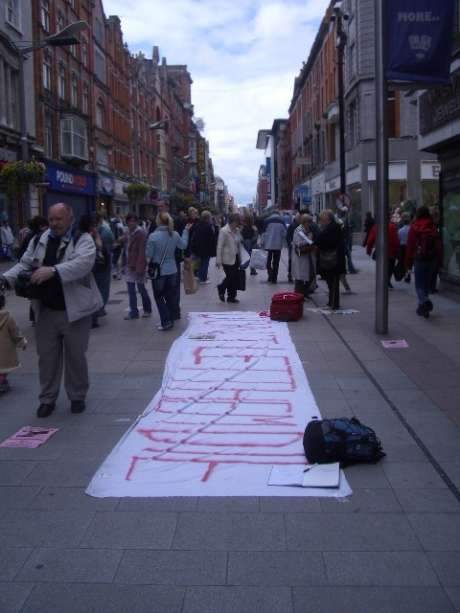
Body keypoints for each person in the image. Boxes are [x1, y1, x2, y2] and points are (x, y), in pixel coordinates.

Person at [0, 202, 103, 417]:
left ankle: (77, 396)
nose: (54, 223)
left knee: (76, 357)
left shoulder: (82, 238)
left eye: (59, 219)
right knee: (46, 358)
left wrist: (53, 271)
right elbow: (25, 263)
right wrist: (5, 279)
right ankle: (47, 398)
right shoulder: (40, 239)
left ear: (70, 217)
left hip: (75, 310)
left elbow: (83, 264)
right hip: (46, 309)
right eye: (52, 219)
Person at [145, 212, 190, 331]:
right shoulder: (174, 234)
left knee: (159, 296)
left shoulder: (153, 236)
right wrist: (186, 231)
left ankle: (165, 321)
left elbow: (148, 255)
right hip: (172, 271)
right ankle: (170, 318)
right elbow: (183, 246)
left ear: (158, 221)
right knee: (170, 296)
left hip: (159, 272)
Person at [405, 206, 442, 318]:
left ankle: (425, 301)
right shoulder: (433, 226)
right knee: (425, 284)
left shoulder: (414, 227)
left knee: (419, 285)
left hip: (420, 259)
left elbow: (410, 246)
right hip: (432, 260)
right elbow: (439, 246)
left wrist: (408, 262)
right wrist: (439, 262)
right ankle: (423, 309)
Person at [316, 210, 346, 310]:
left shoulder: (332, 228)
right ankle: (331, 302)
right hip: (333, 259)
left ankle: (333, 303)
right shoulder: (331, 227)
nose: (320, 222)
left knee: (333, 282)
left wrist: (319, 237)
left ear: (326, 219)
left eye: (321, 219)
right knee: (331, 282)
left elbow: (327, 241)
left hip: (333, 259)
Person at [123, 213, 152, 320]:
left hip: (137, 265)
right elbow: (126, 248)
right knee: (131, 290)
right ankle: (134, 312)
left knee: (141, 288)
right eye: (130, 221)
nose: (131, 223)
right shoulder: (127, 232)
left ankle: (147, 309)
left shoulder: (141, 233)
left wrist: (140, 267)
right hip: (129, 264)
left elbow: (142, 251)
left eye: (134, 221)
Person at [0, 291, 27, 393]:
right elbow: (15, 333)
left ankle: (2, 382)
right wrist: (22, 343)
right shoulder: (8, 318)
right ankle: (2, 383)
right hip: (5, 351)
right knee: (3, 368)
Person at [216, 213, 242, 304]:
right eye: (236, 222)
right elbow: (219, 246)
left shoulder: (237, 230)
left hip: (236, 257)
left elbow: (239, 243)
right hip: (227, 258)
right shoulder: (224, 231)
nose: (237, 224)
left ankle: (231, 297)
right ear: (232, 221)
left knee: (234, 278)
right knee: (230, 277)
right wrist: (218, 260)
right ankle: (221, 288)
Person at [365, 218, 399, 288]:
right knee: (390, 267)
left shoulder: (376, 227)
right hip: (391, 252)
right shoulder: (392, 227)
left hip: (381, 252)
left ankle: (384, 280)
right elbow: (396, 240)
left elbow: (370, 240)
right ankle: (387, 280)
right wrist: (397, 251)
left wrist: (369, 250)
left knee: (382, 267)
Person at [291, 214, 316, 299]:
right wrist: (309, 240)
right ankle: (298, 295)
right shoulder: (299, 230)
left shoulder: (308, 230)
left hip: (307, 255)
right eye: (309, 222)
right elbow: (297, 243)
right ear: (304, 222)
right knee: (300, 277)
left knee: (311, 274)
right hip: (300, 256)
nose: (310, 224)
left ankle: (305, 292)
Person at [191, 210, 216, 284]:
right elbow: (212, 239)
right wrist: (213, 250)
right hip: (206, 248)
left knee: (200, 263)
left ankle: (200, 276)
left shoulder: (197, 225)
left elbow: (194, 237)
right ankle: (203, 279)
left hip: (197, 248)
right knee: (205, 263)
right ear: (208, 218)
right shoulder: (208, 227)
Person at [262, 210, 287, 283]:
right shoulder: (282, 221)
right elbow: (284, 234)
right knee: (276, 262)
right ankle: (274, 278)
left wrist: (262, 243)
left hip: (268, 245)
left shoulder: (266, 221)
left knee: (268, 261)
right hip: (278, 245)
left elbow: (263, 233)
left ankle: (270, 274)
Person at [397, 212, 411, 283]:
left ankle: (403, 274)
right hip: (409, 246)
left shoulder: (400, 230)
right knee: (409, 263)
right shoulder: (411, 229)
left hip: (402, 247)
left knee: (402, 262)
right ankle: (407, 275)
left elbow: (398, 239)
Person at [286, 212, 301, 283]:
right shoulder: (292, 226)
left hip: (298, 246)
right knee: (291, 261)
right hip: (293, 246)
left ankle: (293, 275)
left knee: (294, 261)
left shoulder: (299, 225)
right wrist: (290, 243)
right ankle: (290, 275)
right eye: (299, 218)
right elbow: (287, 236)